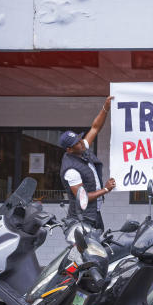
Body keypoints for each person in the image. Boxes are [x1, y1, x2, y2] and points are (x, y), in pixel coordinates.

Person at [59, 95, 116, 229]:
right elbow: (82, 197)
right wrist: (106, 189)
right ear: (69, 149)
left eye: (79, 139)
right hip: (81, 219)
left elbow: (95, 128)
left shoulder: (81, 149)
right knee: (89, 250)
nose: (81, 143)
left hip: (93, 213)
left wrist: (105, 108)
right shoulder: (71, 170)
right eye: (76, 143)